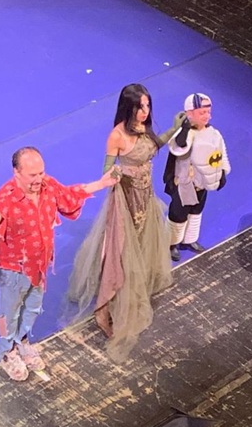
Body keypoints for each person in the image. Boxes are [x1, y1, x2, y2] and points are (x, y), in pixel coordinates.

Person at [0, 146, 118, 381]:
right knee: (8, 313)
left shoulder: (47, 185)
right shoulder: (5, 199)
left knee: (32, 307)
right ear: (17, 172)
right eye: (33, 175)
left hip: (38, 265)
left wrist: (101, 183)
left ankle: (21, 341)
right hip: (12, 268)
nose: (39, 179)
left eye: (41, 172)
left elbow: (70, 195)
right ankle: (6, 352)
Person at [68, 83, 183, 362]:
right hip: (126, 201)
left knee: (141, 243)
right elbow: (107, 170)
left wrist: (173, 129)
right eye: (140, 107)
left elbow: (153, 147)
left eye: (147, 106)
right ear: (128, 107)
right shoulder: (117, 135)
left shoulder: (143, 128)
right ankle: (104, 307)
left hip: (145, 198)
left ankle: (131, 287)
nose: (145, 112)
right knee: (119, 250)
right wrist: (117, 173)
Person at [164, 92, 230, 262]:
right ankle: (172, 242)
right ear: (190, 113)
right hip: (185, 183)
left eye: (208, 112)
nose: (207, 116)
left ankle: (189, 239)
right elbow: (179, 146)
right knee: (178, 213)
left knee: (196, 211)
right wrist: (185, 129)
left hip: (203, 182)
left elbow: (220, 154)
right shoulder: (184, 134)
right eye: (202, 112)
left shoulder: (214, 134)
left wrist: (222, 172)